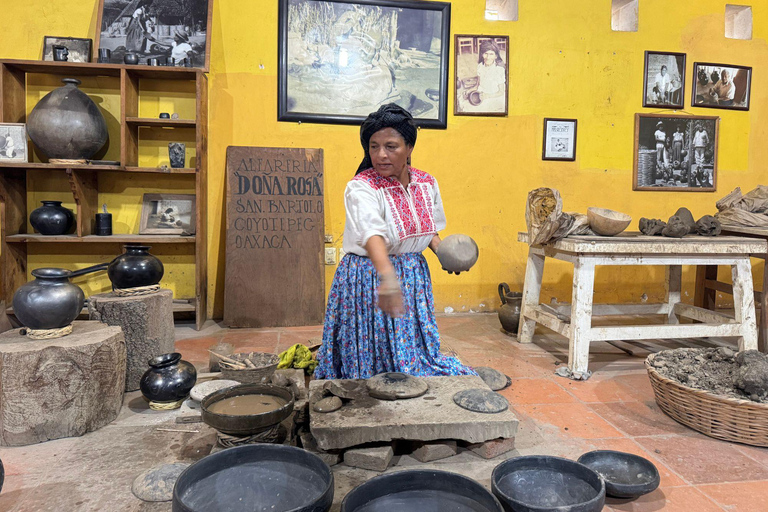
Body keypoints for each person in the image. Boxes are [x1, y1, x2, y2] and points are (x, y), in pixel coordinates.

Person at [314, 104, 476, 379]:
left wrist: (443, 252)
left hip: (412, 275)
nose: (380, 155)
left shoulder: (426, 183)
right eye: (373, 146)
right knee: (372, 354)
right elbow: (371, 234)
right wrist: (387, 276)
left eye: (391, 146)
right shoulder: (361, 187)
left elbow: (425, 229)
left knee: (409, 347)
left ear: (409, 147)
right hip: (370, 276)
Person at [462, 40, 506, 113]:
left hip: (493, 96)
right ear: (482, 54)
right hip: (480, 93)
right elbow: (478, 85)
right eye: (486, 53)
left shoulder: (499, 70)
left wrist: (487, 96)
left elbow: (501, 92)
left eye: (491, 54)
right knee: (464, 101)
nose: (488, 57)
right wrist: (469, 91)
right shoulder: (480, 66)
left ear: (496, 56)